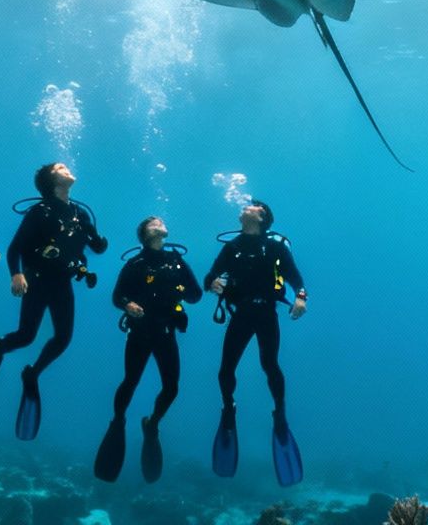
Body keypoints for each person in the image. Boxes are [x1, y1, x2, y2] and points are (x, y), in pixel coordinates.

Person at [0, 161, 108, 440]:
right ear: (52, 180)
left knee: (63, 338)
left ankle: (32, 373)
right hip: (36, 279)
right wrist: (16, 275)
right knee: (26, 336)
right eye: (61, 167)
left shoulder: (79, 213)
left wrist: (98, 242)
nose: (67, 168)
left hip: (62, 281)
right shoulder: (40, 211)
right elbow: (15, 248)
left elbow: (95, 245)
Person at [93, 215, 202, 484]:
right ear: (144, 234)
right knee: (130, 381)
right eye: (154, 222)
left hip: (166, 332)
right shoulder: (135, 264)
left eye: (162, 221)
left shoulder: (176, 260)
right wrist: (128, 305)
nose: (161, 223)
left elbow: (195, 294)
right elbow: (117, 296)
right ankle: (118, 421)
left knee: (172, 387)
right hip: (140, 333)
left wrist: (185, 293)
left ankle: (152, 424)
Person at [206, 199, 307, 486]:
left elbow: (296, 279)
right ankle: (228, 410)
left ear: (261, 216)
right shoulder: (232, 247)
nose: (244, 207)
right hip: (241, 315)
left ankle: (280, 413)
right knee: (225, 370)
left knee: (270, 365)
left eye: (250, 206)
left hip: (265, 313)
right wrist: (212, 283)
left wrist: (301, 298)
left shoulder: (274, 247)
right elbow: (209, 277)